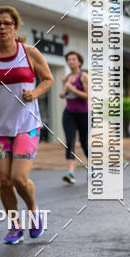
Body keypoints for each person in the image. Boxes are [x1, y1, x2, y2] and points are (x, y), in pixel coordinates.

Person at [0, 5, 54, 245]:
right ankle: (15, 226)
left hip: (26, 125)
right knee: (4, 181)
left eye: (7, 23)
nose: (3, 27)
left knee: (18, 178)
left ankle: (33, 211)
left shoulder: (28, 54)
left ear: (16, 27)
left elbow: (48, 79)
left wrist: (35, 92)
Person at [59, 51, 89, 184]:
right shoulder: (65, 78)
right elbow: (67, 93)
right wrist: (63, 94)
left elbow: (87, 95)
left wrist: (72, 89)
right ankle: (70, 172)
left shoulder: (84, 77)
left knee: (84, 142)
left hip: (83, 113)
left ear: (79, 62)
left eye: (73, 59)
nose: (71, 61)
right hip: (69, 113)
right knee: (70, 141)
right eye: (69, 60)